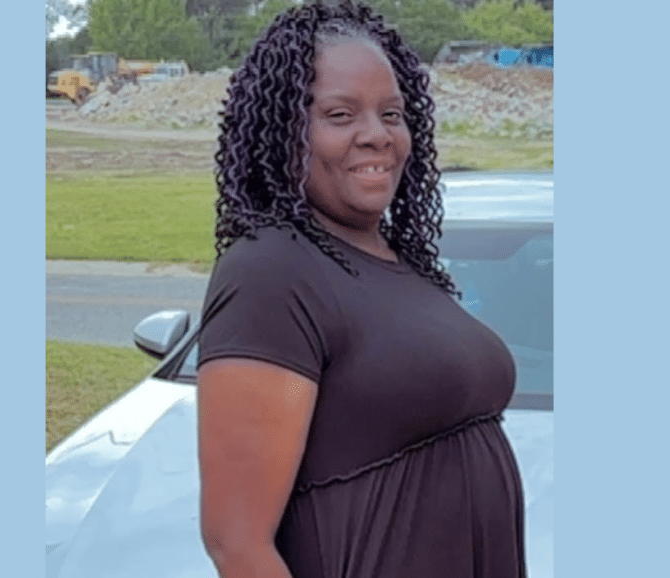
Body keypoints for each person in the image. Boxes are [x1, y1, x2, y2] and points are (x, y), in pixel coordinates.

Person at [196, 2, 526, 577]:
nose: (376, 135)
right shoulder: (271, 272)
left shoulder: (398, 261)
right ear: (283, 131)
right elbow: (237, 543)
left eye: (392, 114)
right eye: (340, 115)